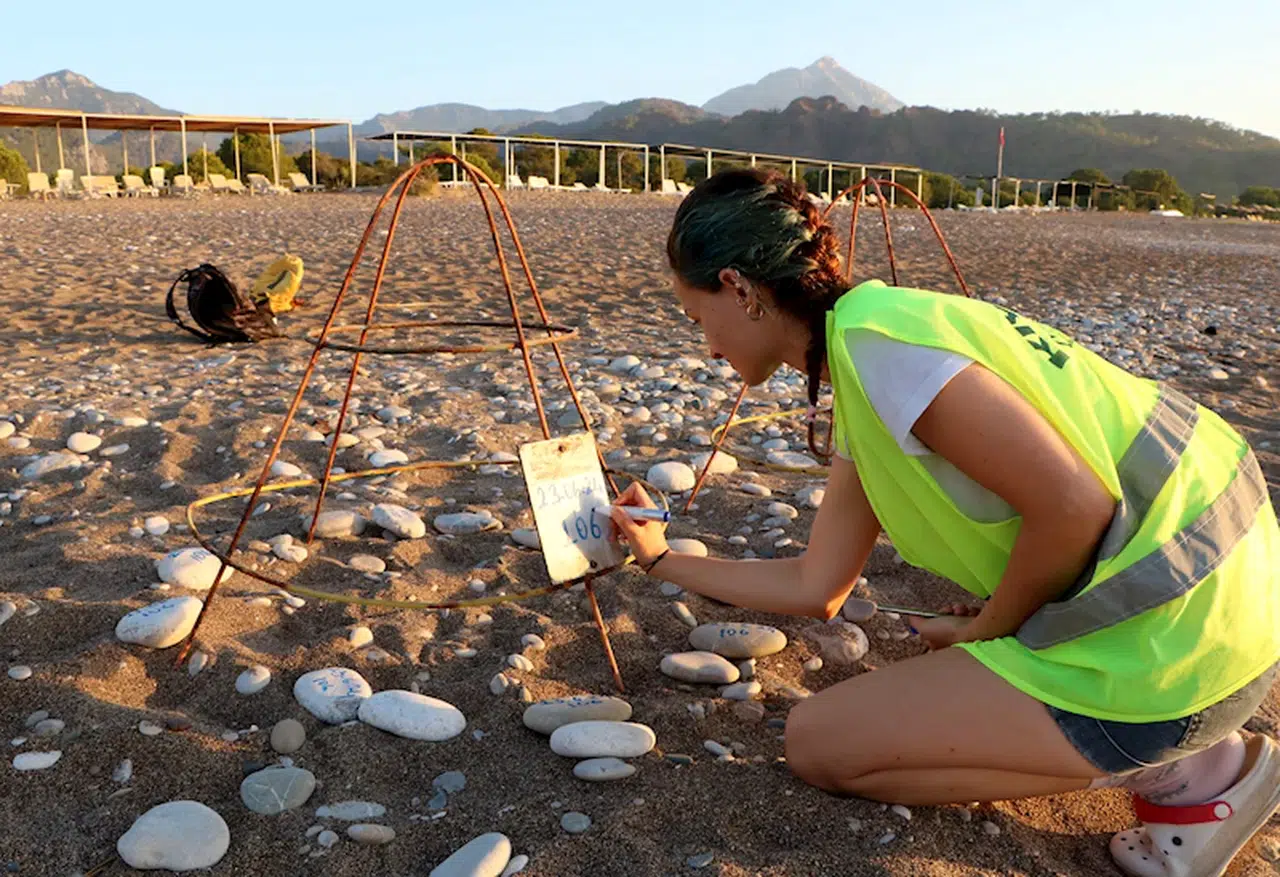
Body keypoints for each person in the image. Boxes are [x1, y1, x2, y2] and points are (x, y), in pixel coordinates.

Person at [608, 169, 1280, 877]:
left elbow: (1075, 506)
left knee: (820, 744)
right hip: (1234, 609)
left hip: (1180, 650)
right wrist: (659, 558)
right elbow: (818, 584)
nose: (705, 345)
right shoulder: (879, 337)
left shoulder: (881, 353)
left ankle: (1179, 772)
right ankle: (1164, 745)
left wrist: (987, 630)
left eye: (696, 317)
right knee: (825, 735)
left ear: (739, 289)